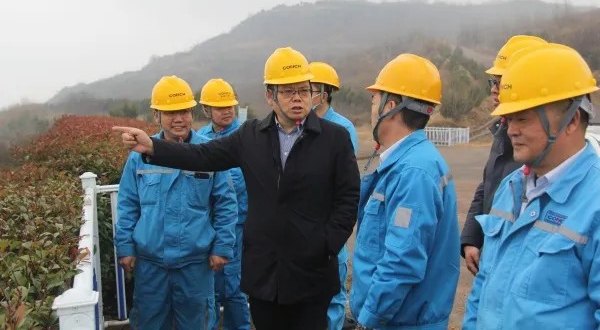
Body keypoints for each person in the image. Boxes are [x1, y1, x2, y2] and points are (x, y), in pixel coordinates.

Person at [113, 47, 360, 330]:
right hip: (265, 273)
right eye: (288, 91)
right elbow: (202, 155)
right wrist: (153, 147)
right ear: (270, 96)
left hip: (312, 272)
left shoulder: (334, 138)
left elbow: (348, 197)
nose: (297, 98)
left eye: (304, 90)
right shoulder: (251, 136)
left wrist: (327, 244)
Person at [463, 43, 600, 328]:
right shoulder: (510, 188)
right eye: (510, 118)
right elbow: (484, 286)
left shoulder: (594, 204)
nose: (511, 130)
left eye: (523, 118)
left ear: (572, 120)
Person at [114, 75, 237, 329]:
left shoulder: (209, 152)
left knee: (197, 324)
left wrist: (222, 247)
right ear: (156, 115)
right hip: (151, 266)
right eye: (171, 112)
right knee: (149, 323)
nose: (179, 118)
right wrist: (125, 246)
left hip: (195, 265)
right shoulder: (139, 155)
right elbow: (128, 203)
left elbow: (226, 203)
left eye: (184, 111)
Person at [350, 54, 460, 330]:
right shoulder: (410, 163)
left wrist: (369, 319)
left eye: (374, 100)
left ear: (390, 106)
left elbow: (402, 261)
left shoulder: (414, 172)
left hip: (400, 322)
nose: (371, 108)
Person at [461, 35, 547, 275]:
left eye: (503, 81)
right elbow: (487, 185)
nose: (494, 89)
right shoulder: (503, 132)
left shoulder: (540, 150)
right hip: (494, 256)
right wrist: (472, 237)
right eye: (494, 81)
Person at [197, 78, 251, 330]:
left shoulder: (247, 137)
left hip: (239, 225)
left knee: (234, 285)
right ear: (206, 110)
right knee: (208, 286)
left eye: (230, 106)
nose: (227, 111)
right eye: (220, 107)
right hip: (206, 225)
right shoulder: (200, 139)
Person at [308, 61, 358, 330]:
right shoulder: (299, 124)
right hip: (305, 225)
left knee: (334, 295)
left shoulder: (343, 129)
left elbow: (344, 183)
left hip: (330, 225)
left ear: (324, 93)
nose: (305, 94)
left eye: (311, 89)